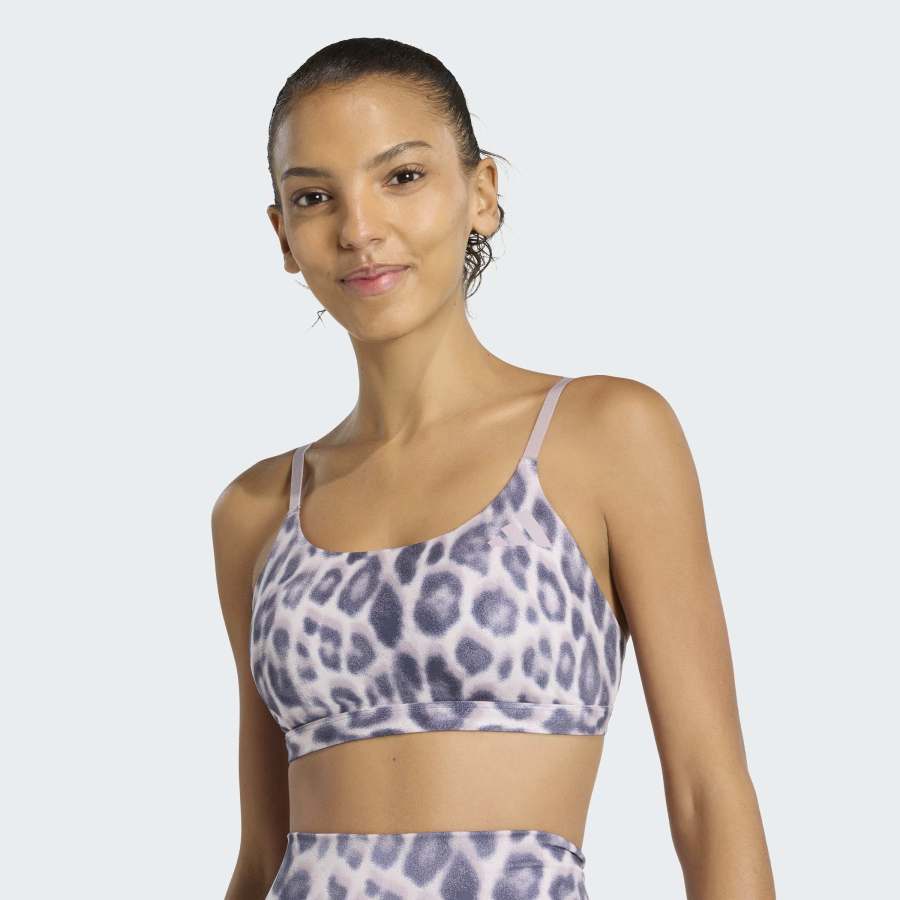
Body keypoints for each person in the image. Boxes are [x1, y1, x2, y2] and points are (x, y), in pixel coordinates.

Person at [212, 37, 775, 900]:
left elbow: (709, 797)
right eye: (315, 197)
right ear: (284, 234)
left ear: (481, 194)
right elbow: (261, 855)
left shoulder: (605, 435)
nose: (359, 230)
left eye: (402, 177)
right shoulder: (257, 509)